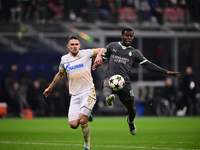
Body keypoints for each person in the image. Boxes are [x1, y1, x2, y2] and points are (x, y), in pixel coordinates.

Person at [92, 28, 181, 135]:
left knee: (132, 109)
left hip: (124, 83)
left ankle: (130, 121)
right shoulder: (112, 46)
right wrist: (97, 63)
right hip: (111, 77)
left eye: (131, 36)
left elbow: (149, 64)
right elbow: (102, 56)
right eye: (127, 36)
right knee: (106, 82)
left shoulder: (134, 52)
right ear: (122, 36)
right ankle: (108, 97)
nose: (129, 38)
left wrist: (166, 72)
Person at [43, 35, 104, 150]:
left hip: (88, 92)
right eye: (72, 45)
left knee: (82, 120)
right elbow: (60, 75)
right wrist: (50, 88)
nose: (75, 46)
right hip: (75, 95)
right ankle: (87, 112)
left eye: (76, 44)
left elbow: (103, 49)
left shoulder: (86, 53)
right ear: (68, 46)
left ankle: (87, 146)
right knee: (73, 125)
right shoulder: (64, 59)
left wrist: (99, 56)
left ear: (79, 45)